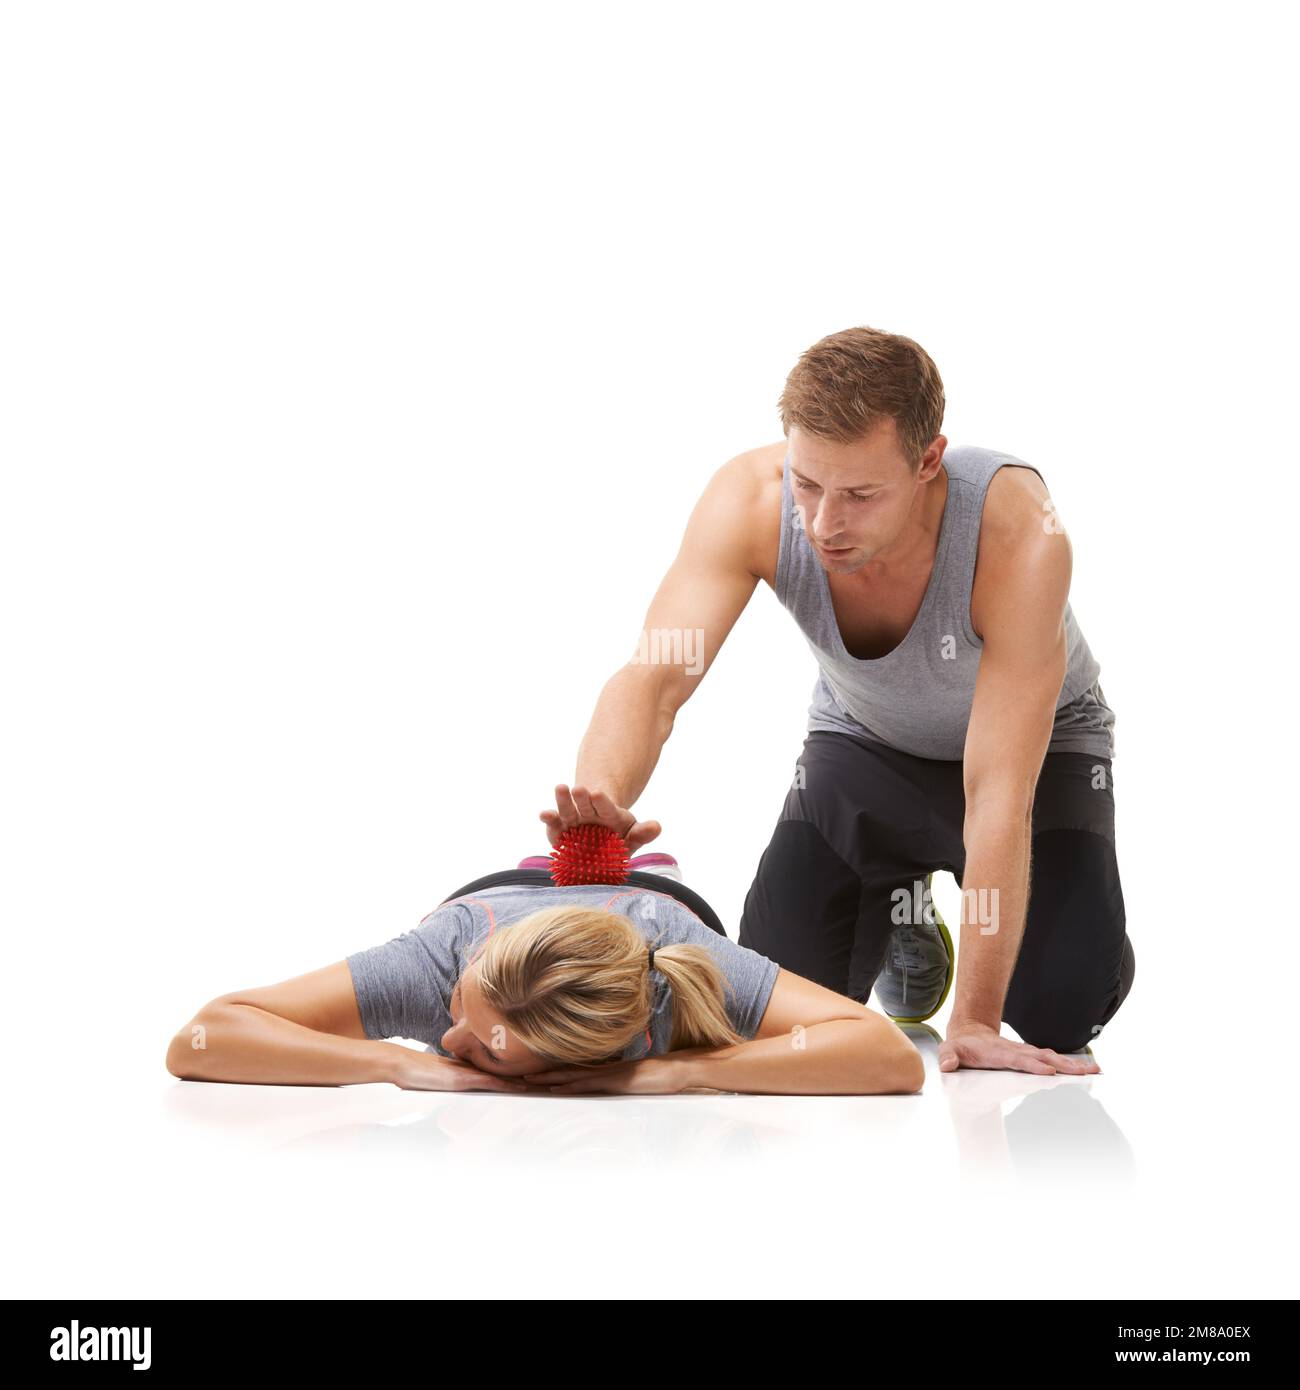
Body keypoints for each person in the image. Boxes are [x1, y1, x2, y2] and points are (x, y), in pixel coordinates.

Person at [545, 325, 1135, 1078]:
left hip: (1035, 757)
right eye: (808, 483)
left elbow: (998, 791)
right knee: (771, 990)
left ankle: (1028, 923)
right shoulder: (750, 501)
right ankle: (904, 907)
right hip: (867, 743)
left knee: (1060, 1006)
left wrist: (976, 1019)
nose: (823, 523)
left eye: (859, 494)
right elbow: (656, 677)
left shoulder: (1019, 531)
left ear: (929, 461)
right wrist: (601, 797)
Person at [165, 849, 925, 1097]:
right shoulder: (440, 967)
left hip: (656, 901)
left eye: (493, 1053)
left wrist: (681, 1072)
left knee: (660, 877)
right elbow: (202, 1037)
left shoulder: (679, 973)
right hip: (505, 896)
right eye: (466, 1016)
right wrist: (394, 1064)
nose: (453, 1039)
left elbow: (890, 1056)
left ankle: (902, 907)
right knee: (560, 872)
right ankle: (590, 859)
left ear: (586, 1055)